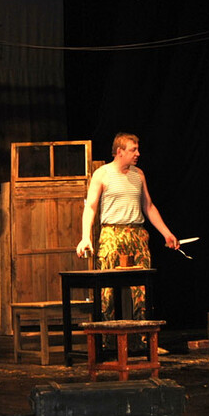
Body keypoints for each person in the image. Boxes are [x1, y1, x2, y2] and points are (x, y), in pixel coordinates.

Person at [76, 132, 179, 321]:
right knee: (107, 289)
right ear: (119, 151)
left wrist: (167, 233)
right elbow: (90, 207)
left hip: (137, 235)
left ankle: (142, 334)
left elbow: (148, 206)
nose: (138, 153)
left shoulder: (138, 174)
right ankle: (108, 335)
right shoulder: (102, 174)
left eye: (137, 149)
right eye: (133, 150)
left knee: (141, 289)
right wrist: (85, 237)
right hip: (112, 234)